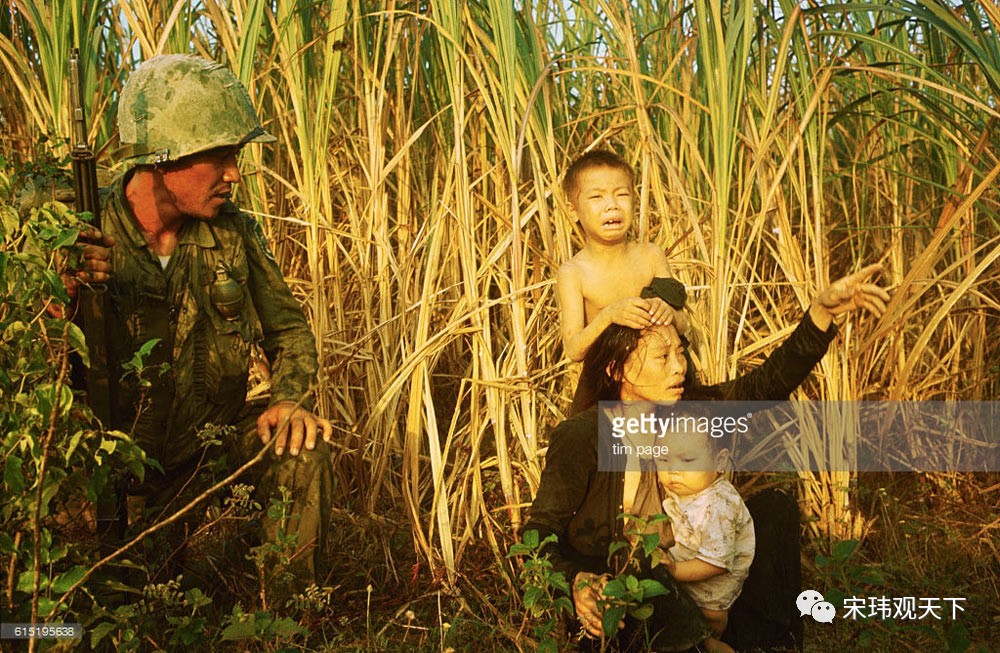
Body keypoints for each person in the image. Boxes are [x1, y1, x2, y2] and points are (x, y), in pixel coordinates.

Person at [65, 54, 333, 601]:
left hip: (206, 459)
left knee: (300, 450)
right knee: (91, 616)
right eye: (220, 156)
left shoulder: (232, 234)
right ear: (162, 161)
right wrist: (58, 293)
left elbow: (291, 332)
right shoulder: (78, 232)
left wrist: (287, 399)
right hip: (105, 481)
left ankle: (288, 625)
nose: (235, 173)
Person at [523, 265, 889, 650]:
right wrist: (577, 581)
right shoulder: (583, 436)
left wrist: (821, 313)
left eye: (679, 353)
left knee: (774, 510)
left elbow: (765, 385)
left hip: (694, 587)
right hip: (626, 600)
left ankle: (771, 644)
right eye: (662, 357)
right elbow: (537, 536)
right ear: (618, 370)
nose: (679, 366)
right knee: (646, 568)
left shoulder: (689, 413)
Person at [556, 150, 687, 363]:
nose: (612, 205)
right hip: (609, 381)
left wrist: (669, 313)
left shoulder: (651, 256)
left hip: (660, 377)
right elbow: (573, 349)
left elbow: (683, 323)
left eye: (621, 194)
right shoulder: (574, 273)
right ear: (573, 211)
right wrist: (609, 315)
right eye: (597, 197)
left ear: (634, 201)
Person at [655, 418, 754, 653]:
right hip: (691, 556)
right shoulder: (688, 487)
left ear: (719, 461)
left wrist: (675, 571)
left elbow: (717, 562)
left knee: (710, 613)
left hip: (716, 575)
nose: (673, 470)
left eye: (687, 460)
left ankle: (713, 641)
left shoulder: (717, 506)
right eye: (663, 459)